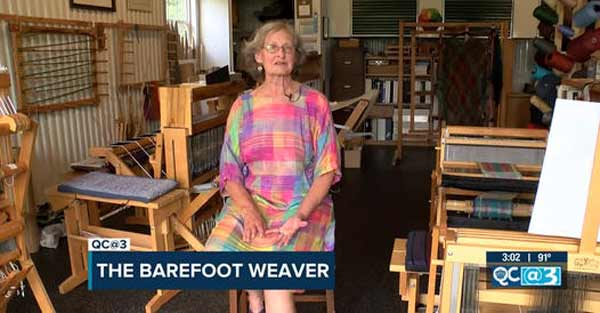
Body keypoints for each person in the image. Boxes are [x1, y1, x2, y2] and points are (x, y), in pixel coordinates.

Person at [204, 20, 341, 313]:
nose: (280, 54)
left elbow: (327, 170)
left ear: (295, 56)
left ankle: (260, 295)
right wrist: (250, 211)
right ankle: (255, 292)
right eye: (272, 47)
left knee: (276, 268)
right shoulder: (243, 106)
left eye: (287, 48)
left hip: (302, 204)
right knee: (216, 251)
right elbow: (230, 173)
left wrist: (299, 215)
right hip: (253, 202)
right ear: (258, 57)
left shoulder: (315, 103)